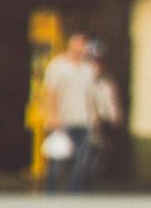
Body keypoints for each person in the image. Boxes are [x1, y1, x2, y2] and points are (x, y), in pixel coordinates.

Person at [39, 35, 114, 194]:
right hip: (62, 119)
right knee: (57, 159)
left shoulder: (88, 69)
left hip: (83, 120)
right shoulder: (58, 66)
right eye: (79, 44)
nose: (82, 48)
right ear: (70, 45)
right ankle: (51, 192)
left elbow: (91, 95)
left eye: (84, 45)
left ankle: (75, 193)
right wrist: (53, 115)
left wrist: (96, 117)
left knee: (82, 161)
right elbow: (52, 92)